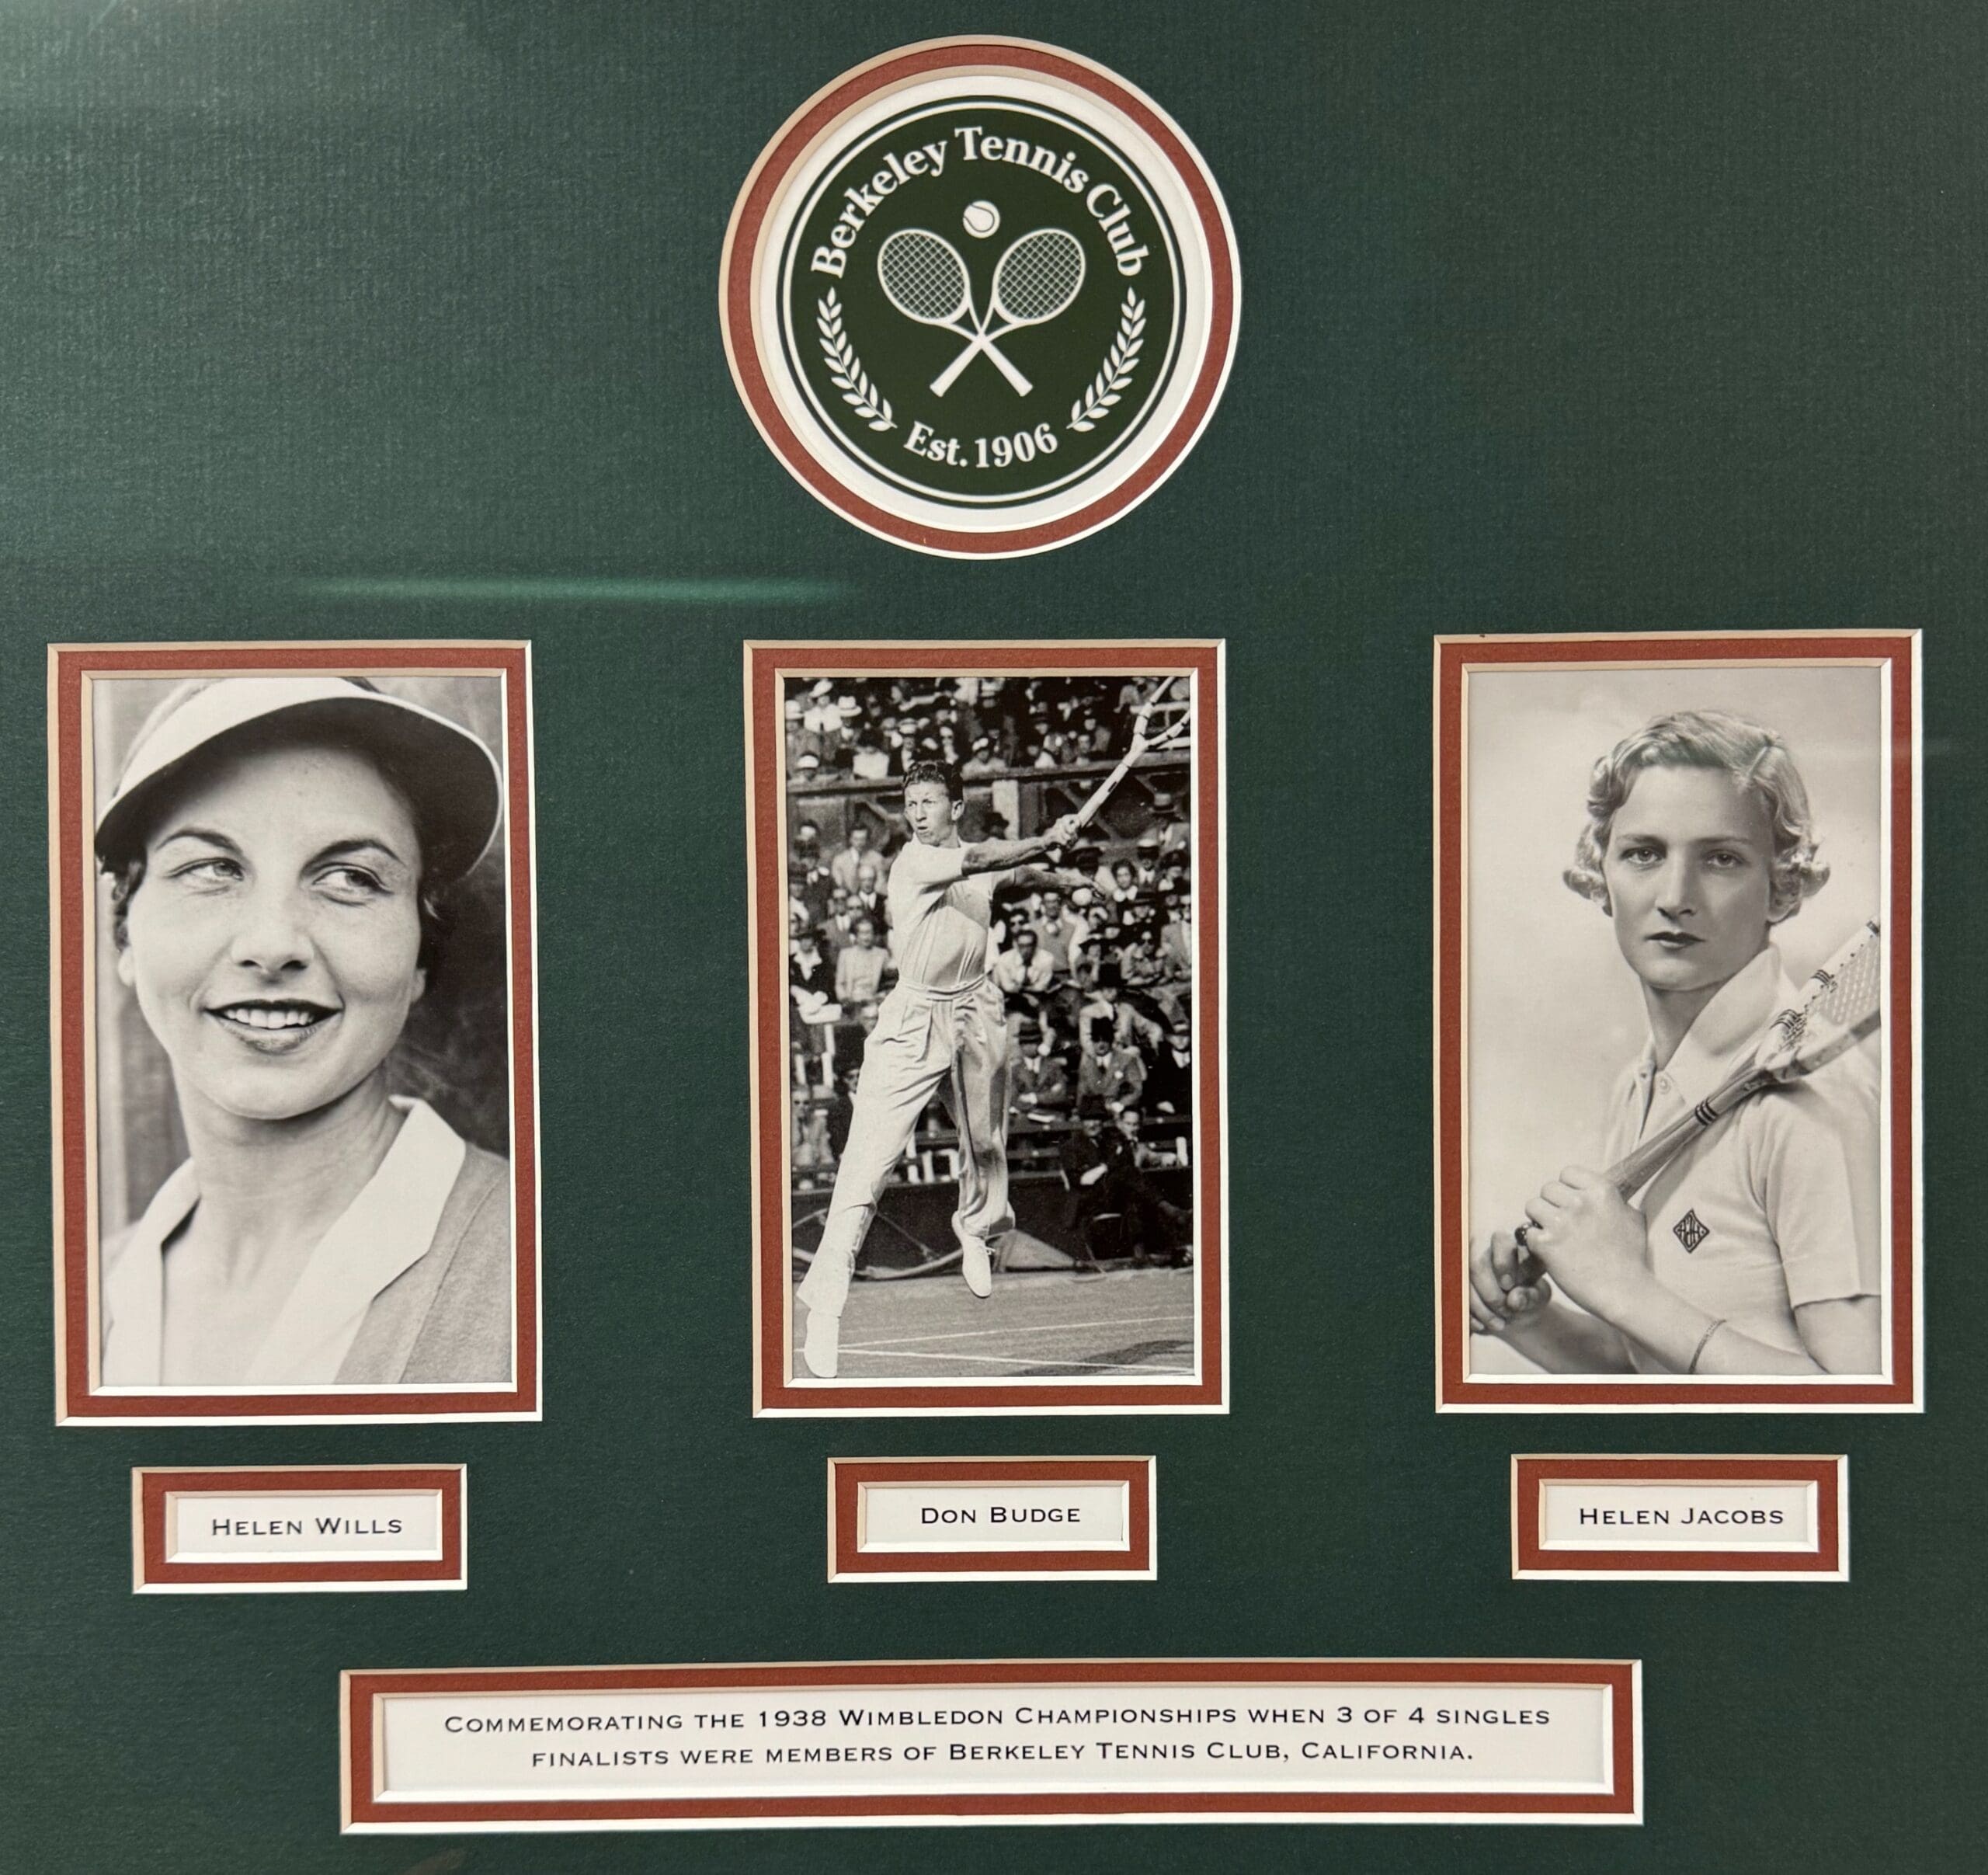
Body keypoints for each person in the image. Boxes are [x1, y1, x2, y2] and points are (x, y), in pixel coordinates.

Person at [93, 675, 512, 1387]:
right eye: (211, 868)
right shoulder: (84, 1292)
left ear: (419, 955)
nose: (273, 943)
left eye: (350, 878)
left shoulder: (540, 1258)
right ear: (127, 934)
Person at [1469, 710, 1881, 1376]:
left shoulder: (1816, 1109)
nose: (1675, 896)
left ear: (1780, 885)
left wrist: (1626, 1293)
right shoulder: (1639, 1088)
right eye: (1644, 853)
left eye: (1721, 859)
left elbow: (1865, 1408)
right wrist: (1535, 1321)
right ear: (1602, 874)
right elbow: (1662, 1372)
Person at [793, 763, 1085, 1377]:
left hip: (977, 1008)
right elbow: (986, 861)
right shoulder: (914, 862)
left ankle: (976, 1229)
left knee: (986, 1143)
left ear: (957, 806)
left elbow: (1008, 874)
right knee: (867, 1159)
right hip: (914, 1016)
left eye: (930, 802)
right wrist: (1043, 834)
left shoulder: (971, 862)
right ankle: (825, 1303)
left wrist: (1061, 871)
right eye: (911, 803)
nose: (918, 812)